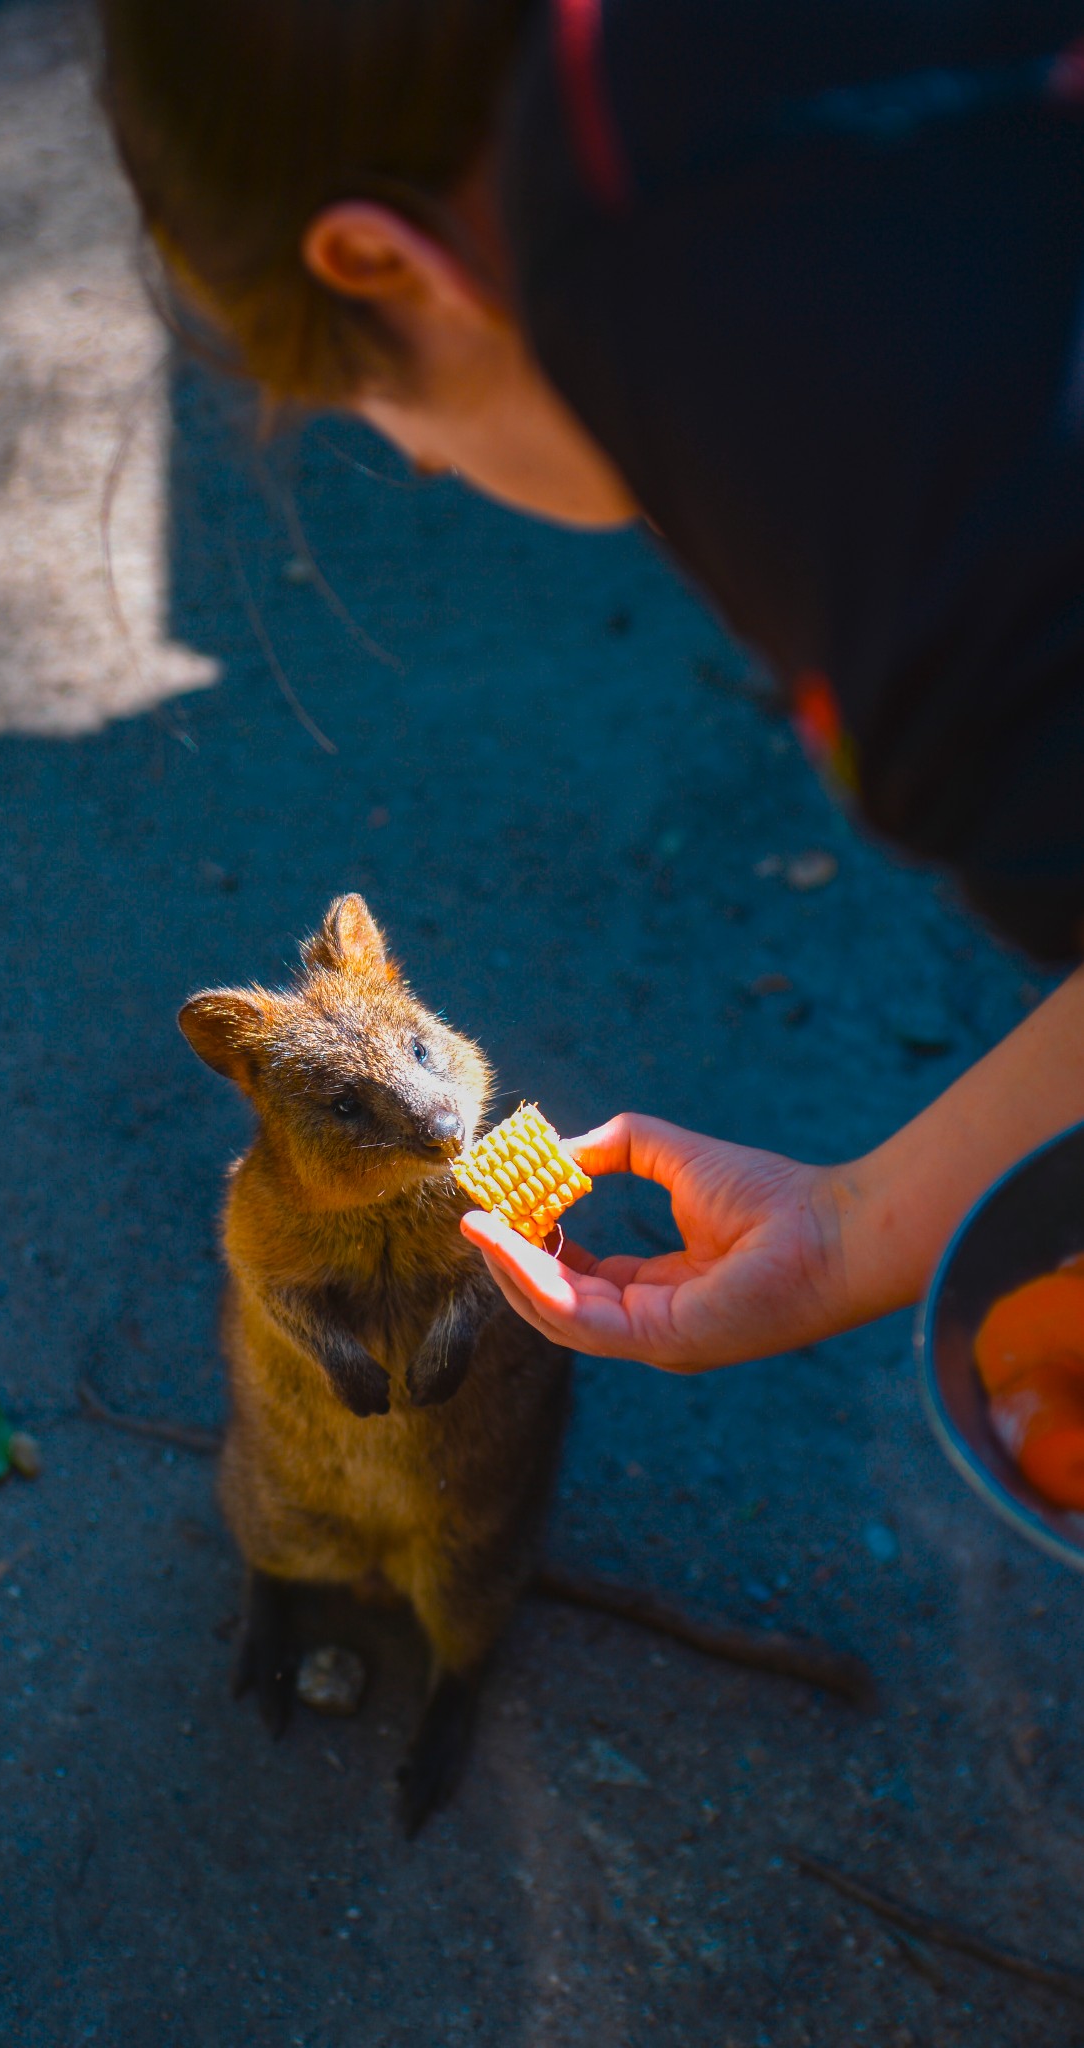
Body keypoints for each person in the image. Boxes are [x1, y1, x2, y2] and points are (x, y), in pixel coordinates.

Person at [97, 0, 1084, 1370]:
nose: (430, 467)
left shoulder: (922, 573)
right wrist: (852, 1233)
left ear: (382, 263)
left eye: (383, 415)